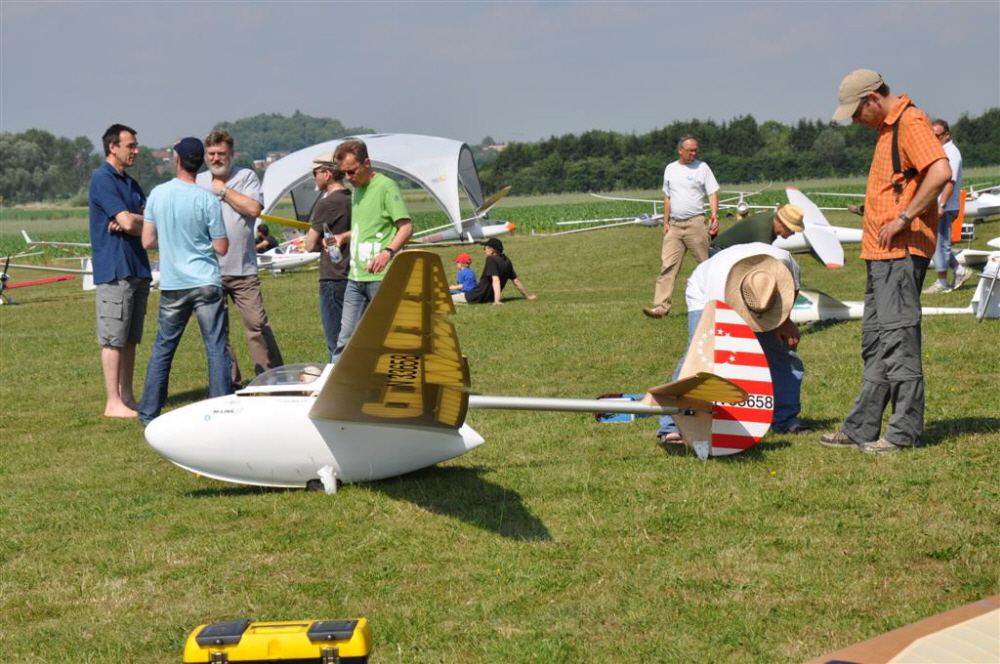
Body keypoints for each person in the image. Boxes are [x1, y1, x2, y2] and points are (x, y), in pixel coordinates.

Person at [821, 69, 951, 453]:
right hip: (882, 254)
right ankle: (861, 427)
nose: (856, 121)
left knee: (898, 342)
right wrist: (876, 208)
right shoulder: (887, 130)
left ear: (873, 99)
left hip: (901, 251)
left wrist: (903, 218)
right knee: (877, 342)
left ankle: (904, 433)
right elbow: (903, 181)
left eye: (857, 113)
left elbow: (940, 171)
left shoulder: (909, 121)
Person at [656, 243, 806, 442]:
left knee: (780, 353)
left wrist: (784, 322)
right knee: (699, 355)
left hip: (759, 297)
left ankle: (784, 419)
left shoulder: (785, 263)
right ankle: (672, 425)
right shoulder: (717, 286)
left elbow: (792, 289)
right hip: (704, 292)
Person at [138, 138, 231, 424]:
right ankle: (219, 410)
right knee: (215, 347)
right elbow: (222, 247)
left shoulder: (158, 194)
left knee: (164, 347)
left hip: (174, 283)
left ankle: (148, 411)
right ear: (200, 163)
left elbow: (147, 241)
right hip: (206, 281)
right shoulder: (207, 198)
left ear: (176, 159)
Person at [196, 129, 283, 389]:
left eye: (221, 153)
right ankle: (230, 383)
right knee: (218, 333)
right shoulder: (198, 180)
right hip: (209, 270)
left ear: (231, 154)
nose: (216, 158)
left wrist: (222, 190)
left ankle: (272, 379)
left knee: (257, 325)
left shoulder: (245, 177)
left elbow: (254, 208)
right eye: (211, 153)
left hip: (243, 268)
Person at [88, 123, 153, 418]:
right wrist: (133, 222)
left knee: (130, 338)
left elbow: (151, 225)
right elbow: (130, 224)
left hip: (137, 266)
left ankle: (127, 396)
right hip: (115, 269)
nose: (136, 151)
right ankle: (112, 402)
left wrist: (134, 221)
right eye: (131, 146)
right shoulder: (102, 180)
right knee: (114, 337)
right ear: (113, 147)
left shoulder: (131, 183)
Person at [331, 139, 414, 359]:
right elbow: (367, 227)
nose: (348, 178)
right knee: (344, 339)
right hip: (355, 277)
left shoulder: (386, 186)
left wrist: (388, 253)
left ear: (366, 163)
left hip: (382, 278)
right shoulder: (356, 190)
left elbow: (406, 228)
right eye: (344, 174)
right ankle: (336, 389)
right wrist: (343, 236)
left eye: (352, 171)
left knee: (388, 338)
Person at [644, 135, 720, 319]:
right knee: (667, 266)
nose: (694, 153)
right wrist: (666, 222)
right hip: (675, 227)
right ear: (680, 150)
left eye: (696, 150)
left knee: (707, 265)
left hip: (696, 224)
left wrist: (714, 215)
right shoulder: (670, 169)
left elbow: (712, 193)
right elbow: (667, 197)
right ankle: (661, 307)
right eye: (690, 150)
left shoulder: (702, 167)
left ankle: (718, 304)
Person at [304, 152, 352, 360]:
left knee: (335, 340)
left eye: (315, 173)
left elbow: (310, 244)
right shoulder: (353, 198)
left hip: (333, 277)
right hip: (353, 275)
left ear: (326, 174)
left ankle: (337, 383)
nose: (313, 178)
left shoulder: (326, 204)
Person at [924, 119, 973, 293]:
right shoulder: (943, 151)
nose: (933, 139)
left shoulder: (951, 153)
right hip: (940, 204)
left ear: (947, 135)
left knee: (940, 244)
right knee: (937, 243)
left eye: (936, 136)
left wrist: (941, 204)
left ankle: (942, 283)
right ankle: (960, 270)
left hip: (945, 205)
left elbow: (949, 181)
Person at [453, 238, 537, 305]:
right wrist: (527, 296)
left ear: (492, 250)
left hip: (475, 297)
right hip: (488, 298)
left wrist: (497, 300)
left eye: (485, 248)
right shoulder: (507, 261)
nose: (484, 250)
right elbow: (516, 281)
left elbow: (495, 279)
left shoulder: (491, 259)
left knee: (444, 299)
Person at [712, 204, 805, 251]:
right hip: (720, 252)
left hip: (727, 250)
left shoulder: (771, 218)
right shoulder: (763, 230)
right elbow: (762, 260)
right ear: (782, 223)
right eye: (792, 229)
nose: (793, 233)